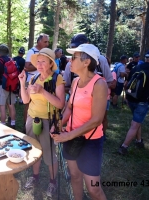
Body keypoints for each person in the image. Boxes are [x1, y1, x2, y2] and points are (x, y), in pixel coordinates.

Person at [51, 44, 107, 200]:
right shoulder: (75, 82)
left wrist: (67, 136)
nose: (69, 60)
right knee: (75, 176)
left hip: (90, 141)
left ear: (86, 62)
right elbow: (70, 107)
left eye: (74, 57)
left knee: (93, 189)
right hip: (71, 136)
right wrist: (59, 125)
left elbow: (96, 120)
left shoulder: (99, 84)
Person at [20, 48, 65, 197]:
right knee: (34, 150)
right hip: (32, 119)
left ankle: (53, 182)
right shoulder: (33, 78)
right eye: (37, 61)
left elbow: (60, 104)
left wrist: (42, 92)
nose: (39, 64)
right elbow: (26, 100)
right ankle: (35, 177)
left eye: (43, 61)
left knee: (49, 153)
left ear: (51, 63)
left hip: (49, 121)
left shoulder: (56, 78)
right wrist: (22, 83)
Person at [118, 48, 149, 155]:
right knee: (135, 124)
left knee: (137, 121)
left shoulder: (136, 67)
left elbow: (126, 84)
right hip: (143, 101)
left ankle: (139, 141)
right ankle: (124, 147)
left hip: (131, 99)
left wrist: (127, 97)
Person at [23, 34, 49, 131]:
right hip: (32, 81)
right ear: (39, 42)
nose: (47, 44)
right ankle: (27, 126)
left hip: (43, 81)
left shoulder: (45, 52)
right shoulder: (32, 51)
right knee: (28, 103)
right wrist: (40, 66)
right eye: (45, 42)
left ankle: (39, 123)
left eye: (48, 42)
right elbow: (26, 67)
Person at [0, 44, 16, 128]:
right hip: (11, 85)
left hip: (1, 86)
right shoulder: (11, 60)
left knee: (2, 106)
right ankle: (13, 123)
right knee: (11, 105)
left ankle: (3, 125)